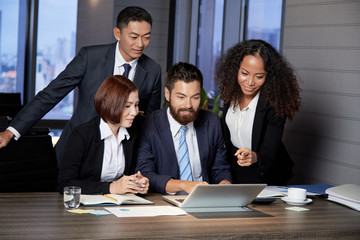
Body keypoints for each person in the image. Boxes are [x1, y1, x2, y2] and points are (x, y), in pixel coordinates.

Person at [0, 6, 162, 164]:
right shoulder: (90, 58)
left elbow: (149, 121)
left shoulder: (153, 70)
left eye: (146, 37)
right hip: (76, 150)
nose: (140, 44)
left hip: (120, 158)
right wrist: (11, 131)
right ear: (117, 33)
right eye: (134, 37)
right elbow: (50, 95)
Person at [136, 62, 232, 195]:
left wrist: (224, 183)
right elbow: (145, 174)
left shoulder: (212, 122)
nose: (188, 105)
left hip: (204, 201)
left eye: (195, 97)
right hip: (163, 204)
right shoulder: (149, 124)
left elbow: (220, 168)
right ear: (167, 94)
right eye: (181, 97)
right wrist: (184, 185)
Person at [215, 39, 301, 185]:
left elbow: (270, 152)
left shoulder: (274, 106)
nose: (250, 82)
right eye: (245, 73)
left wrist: (255, 157)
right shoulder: (231, 95)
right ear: (235, 70)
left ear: (269, 77)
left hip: (265, 175)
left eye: (259, 76)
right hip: (234, 171)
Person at [58, 75, 149, 195]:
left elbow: (130, 175)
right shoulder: (81, 134)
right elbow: (65, 184)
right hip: (85, 207)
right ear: (110, 104)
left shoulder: (133, 133)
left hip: (120, 206)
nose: (134, 112)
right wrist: (110, 188)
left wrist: (138, 183)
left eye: (136, 105)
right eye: (127, 106)